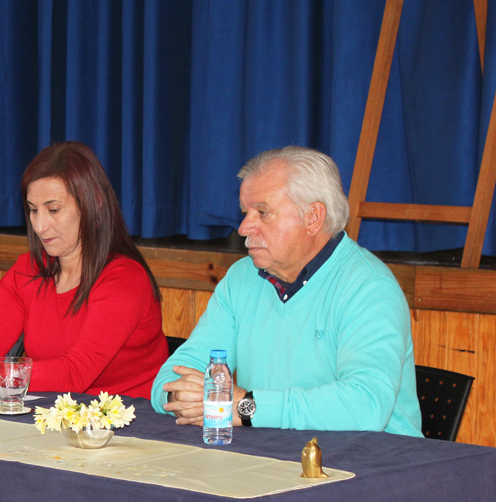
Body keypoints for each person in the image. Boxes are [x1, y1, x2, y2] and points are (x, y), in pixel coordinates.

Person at [152, 146, 422, 436]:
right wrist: (182, 397)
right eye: (245, 212)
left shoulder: (369, 287)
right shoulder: (242, 278)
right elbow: (174, 374)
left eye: (262, 213)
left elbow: (365, 405)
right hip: (270, 454)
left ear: (313, 217)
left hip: (371, 458)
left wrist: (247, 407)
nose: (243, 228)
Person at [0, 141, 167, 399]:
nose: (39, 226)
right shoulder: (28, 269)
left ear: (95, 203)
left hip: (127, 416)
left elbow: (74, 375)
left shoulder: (124, 279)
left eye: (53, 210)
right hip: (54, 411)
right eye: (33, 210)